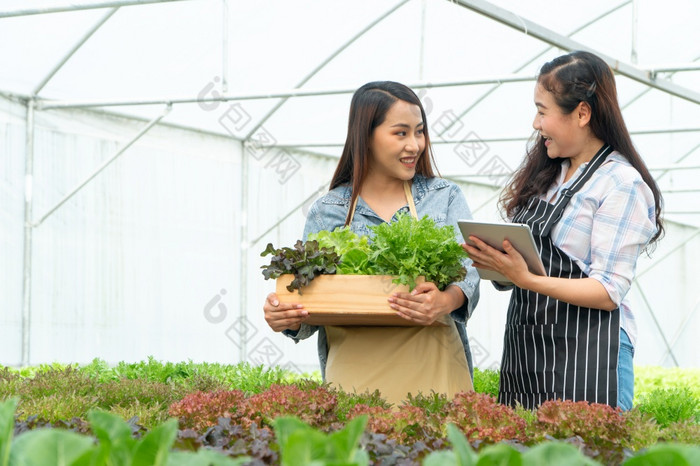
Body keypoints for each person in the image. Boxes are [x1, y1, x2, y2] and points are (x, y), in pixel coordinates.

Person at [463, 51, 663, 411]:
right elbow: (531, 265)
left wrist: (527, 280)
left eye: (543, 111)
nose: (536, 123)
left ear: (582, 113)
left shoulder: (620, 184)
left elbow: (608, 290)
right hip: (530, 351)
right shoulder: (548, 175)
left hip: (590, 355)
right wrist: (498, 264)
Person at [263, 81, 480, 405]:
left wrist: (445, 302)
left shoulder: (443, 197)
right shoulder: (329, 212)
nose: (415, 144)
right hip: (355, 381)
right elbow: (310, 304)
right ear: (366, 136)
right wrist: (287, 318)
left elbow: (470, 268)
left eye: (419, 132)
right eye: (401, 133)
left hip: (435, 376)